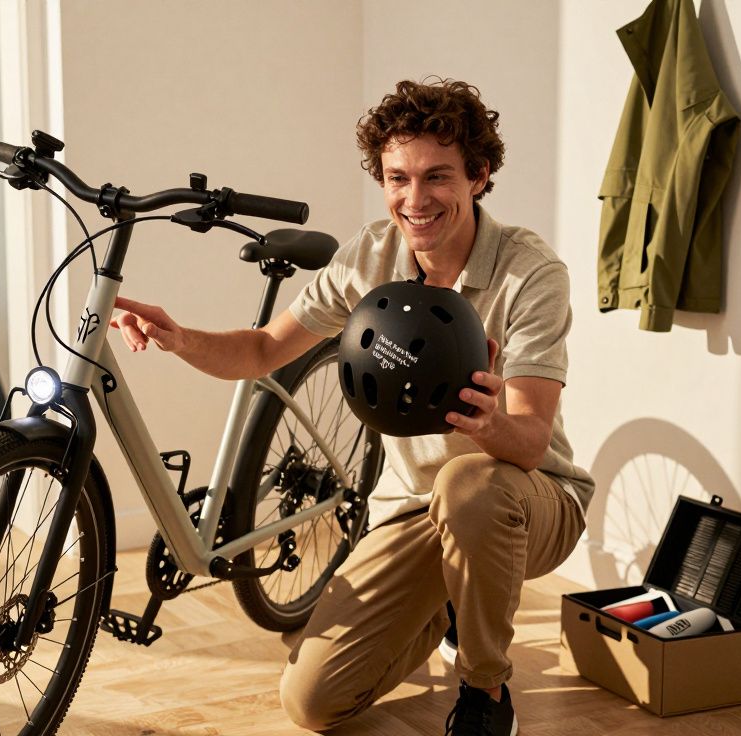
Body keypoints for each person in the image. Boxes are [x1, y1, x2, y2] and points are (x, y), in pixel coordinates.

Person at [111, 79, 594, 736]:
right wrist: (179, 337)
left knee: (467, 483)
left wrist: (487, 419)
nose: (415, 200)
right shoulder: (371, 256)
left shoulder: (529, 272)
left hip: (529, 500)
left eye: (437, 177)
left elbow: (533, 443)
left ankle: (485, 690)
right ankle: (446, 604)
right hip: (414, 511)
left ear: (479, 176)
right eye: (397, 178)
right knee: (311, 702)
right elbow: (260, 351)